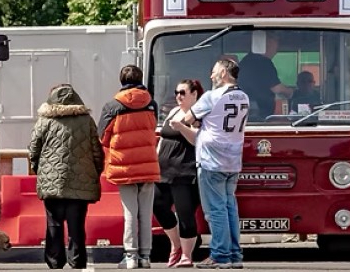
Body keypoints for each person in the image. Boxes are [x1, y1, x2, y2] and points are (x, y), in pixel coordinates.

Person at [171, 59, 249, 269]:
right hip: (233, 159)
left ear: (223, 72)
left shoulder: (211, 96)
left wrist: (198, 121)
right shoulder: (243, 96)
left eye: (214, 72)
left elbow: (188, 118)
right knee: (229, 207)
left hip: (211, 160)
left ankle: (220, 255)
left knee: (215, 210)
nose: (211, 76)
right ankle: (234, 254)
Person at [28, 84, 104, 270]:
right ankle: (77, 260)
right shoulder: (86, 120)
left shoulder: (44, 120)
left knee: (54, 223)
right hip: (81, 180)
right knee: (76, 224)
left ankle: (54, 261)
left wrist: (41, 170)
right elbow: (97, 150)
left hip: (51, 180)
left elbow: (33, 149)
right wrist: (95, 170)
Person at [99, 65, 161, 269]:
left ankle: (131, 256)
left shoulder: (112, 106)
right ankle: (145, 256)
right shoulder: (151, 103)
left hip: (124, 165)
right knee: (145, 211)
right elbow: (152, 127)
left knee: (130, 212)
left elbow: (103, 136)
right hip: (148, 164)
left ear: (121, 81)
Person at [154, 79, 205, 268]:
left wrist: (182, 127)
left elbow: (197, 140)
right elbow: (163, 137)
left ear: (194, 94)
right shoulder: (174, 111)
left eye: (183, 93)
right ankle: (175, 244)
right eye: (176, 92)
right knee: (158, 204)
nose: (178, 96)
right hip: (164, 170)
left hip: (185, 171)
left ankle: (187, 255)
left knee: (185, 213)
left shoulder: (198, 113)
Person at [238, 32, 292, 118]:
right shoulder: (263, 62)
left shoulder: (246, 61)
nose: (275, 51)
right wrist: (290, 92)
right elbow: (277, 88)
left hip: (245, 109)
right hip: (258, 111)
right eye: (276, 47)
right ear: (267, 44)